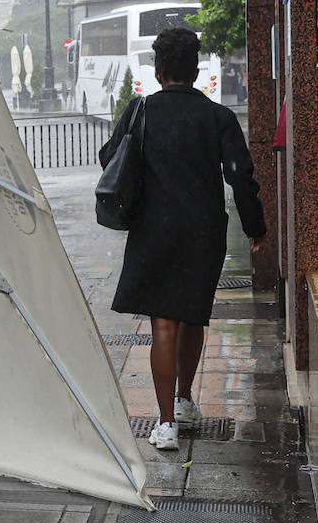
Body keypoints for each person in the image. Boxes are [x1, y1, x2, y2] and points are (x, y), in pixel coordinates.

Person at [99, 27, 266, 451]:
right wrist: (255, 229)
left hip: (154, 229)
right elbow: (240, 177)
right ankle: (185, 398)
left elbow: (109, 158)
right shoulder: (218, 117)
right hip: (203, 231)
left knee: (164, 324)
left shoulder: (141, 111)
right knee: (193, 315)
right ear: (195, 70)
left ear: (158, 72)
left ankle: (166, 423)